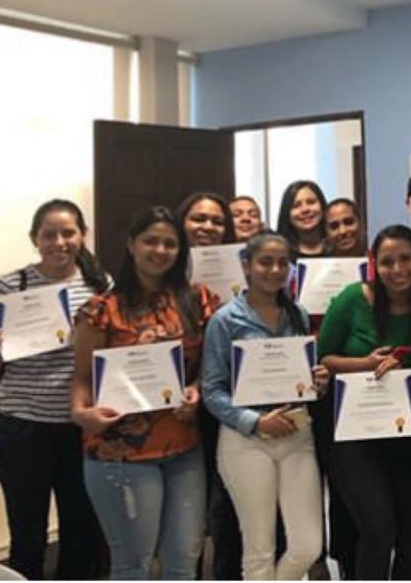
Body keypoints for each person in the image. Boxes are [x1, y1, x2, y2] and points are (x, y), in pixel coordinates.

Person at [70, 206, 219, 579]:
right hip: (120, 453)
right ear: (131, 245)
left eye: (170, 243)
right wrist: (80, 413)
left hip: (184, 448)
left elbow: (212, 365)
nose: (160, 250)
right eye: (151, 241)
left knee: (184, 563)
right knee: (133, 566)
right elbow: (82, 378)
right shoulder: (101, 310)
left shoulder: (198, 300)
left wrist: (197, 390)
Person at [0, 200, 108, 580]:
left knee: (80, 534)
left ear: (83, 235)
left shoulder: (101, 286)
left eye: (68, 233)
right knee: (27, 536)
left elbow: (110, 355)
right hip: (21, 429)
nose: (59, 243)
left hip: (79, 428)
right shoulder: (10, 286)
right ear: (35, 239)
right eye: (49, 235)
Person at [201, 231, 331, 580]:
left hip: (296, 434)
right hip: (246, 441)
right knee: (259, 550)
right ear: (246, 266)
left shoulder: (297, 314)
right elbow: (212, 391)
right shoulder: (225, 320)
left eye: (282, 263)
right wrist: (254, 421)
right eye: (265, 262)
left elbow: (302, 379)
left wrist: (316, 382)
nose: (275, 270)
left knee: (308, 546)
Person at [317, 225, 411, 580]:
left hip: (406, 430)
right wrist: (366, 364)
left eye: (406, 259)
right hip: (354, 432)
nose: (398, 269)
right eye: (387, 261)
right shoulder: (352, 299)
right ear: (374, 263)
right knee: (377, 527)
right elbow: (323, 359)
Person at [174, 191, 241, 580]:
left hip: (222, 399)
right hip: (172, 409)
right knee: (186, 511)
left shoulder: (241, 270)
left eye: (217, 221)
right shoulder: (163, 275)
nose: (208, 227)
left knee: (224, 500)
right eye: (198, 219)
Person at [277, 181, 330, 258]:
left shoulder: (338, 248)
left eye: (311, 202)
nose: (305, 209)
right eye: (296, 206)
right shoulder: (279, 253)